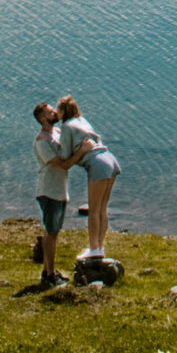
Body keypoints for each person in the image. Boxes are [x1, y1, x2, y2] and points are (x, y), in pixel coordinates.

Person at [56, 95, 121, 259]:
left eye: (58, 109)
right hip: (110, 159)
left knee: (93, 210)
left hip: (97, 164)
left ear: (63, 111)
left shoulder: (66, 126)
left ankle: (94, 249)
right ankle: (100, 247)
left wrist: (58, 142)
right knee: (102, 209)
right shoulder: (82, 120)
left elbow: (65, 156)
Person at [32, 101, 76, 287]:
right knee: (51, 233)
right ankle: (49, 275)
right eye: (51, 112)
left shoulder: (56, 134)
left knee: (54, 232)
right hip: (49, 191)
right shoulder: (42, 141)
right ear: (43, 119)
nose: (55, 113)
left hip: (59, 190)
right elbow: (62, 163)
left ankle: (48, 272)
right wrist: (83, 152)